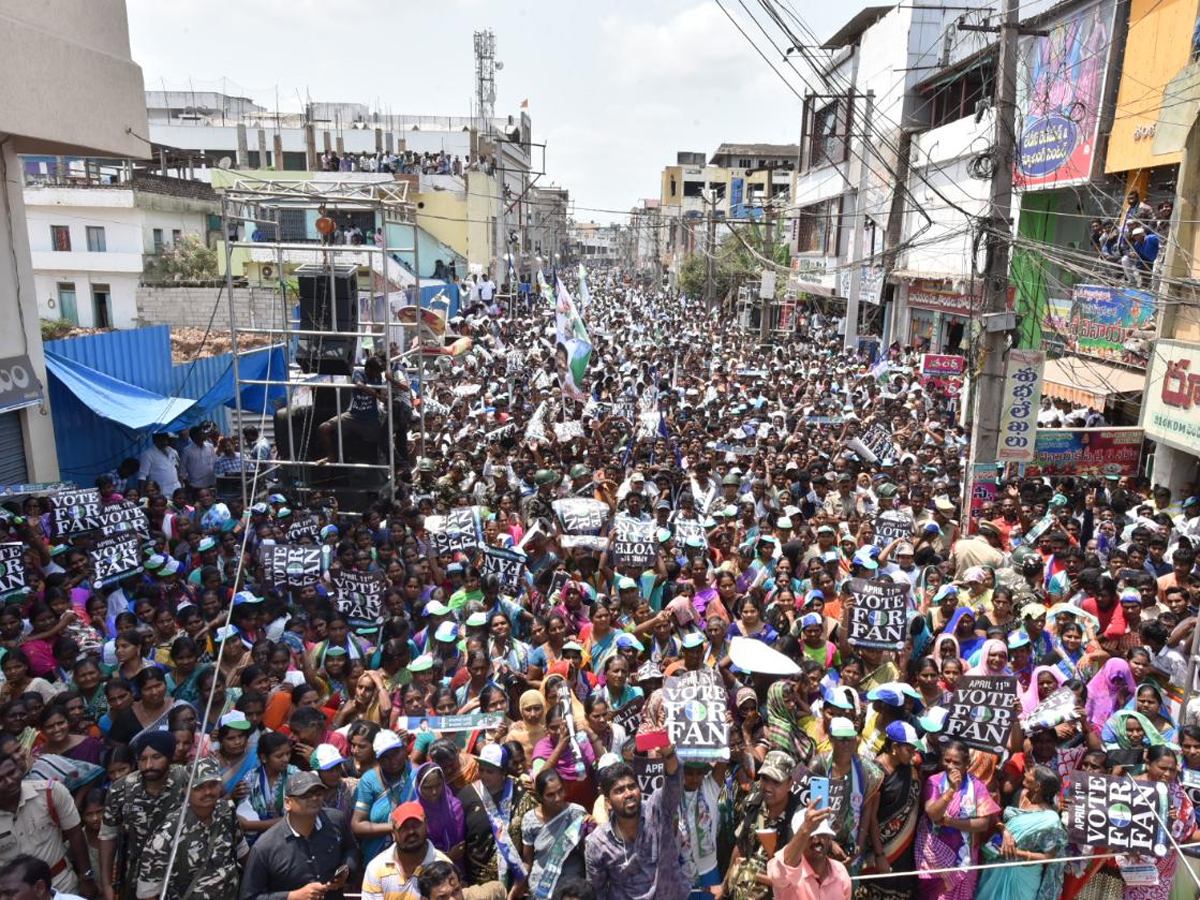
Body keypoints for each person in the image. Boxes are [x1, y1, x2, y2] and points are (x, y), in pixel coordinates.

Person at [135, 756, 248, 900]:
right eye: (198, 787)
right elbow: (148, 894)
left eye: (212, 784)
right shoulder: (166, 835)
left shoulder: (226, 813)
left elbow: (243, 853)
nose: (207, 792)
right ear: (185, 790)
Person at [584, 741, 685, 900]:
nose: (628, 793)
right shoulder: (597, 843)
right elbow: (597, 892)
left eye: (632, 786)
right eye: (619, 790)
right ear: (608, 802)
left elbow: (674, 781)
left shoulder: (658, 810)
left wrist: (669, 755)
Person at [240, 771, 358, 900]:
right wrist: (292, 896)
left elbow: (351, 849)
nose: (314, 798)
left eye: (318, 793)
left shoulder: (336, 820)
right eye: (306, 795)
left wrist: (346, 870)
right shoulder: (265, 847)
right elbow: (249, 897)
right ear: (287, 803)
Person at [99, 732, 188, 900]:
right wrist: (107, 885)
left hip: (181, 874)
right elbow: (107, 836)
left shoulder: (187, 779)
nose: (149, 765)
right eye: (142, 759)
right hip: (137, 879)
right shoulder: (120, 789)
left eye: (156, 757)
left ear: (169, 756)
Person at [914, 739, 1000, 900]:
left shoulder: (977, 786)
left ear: (967, 764)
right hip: (934, 857)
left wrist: (949, 822)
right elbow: (932, 813)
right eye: (947, 760)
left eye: (957, 763)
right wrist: (951, 791)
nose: (951, 766)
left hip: (964, 858)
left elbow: (983, 824)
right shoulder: (935, 781)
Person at [764, 802, 850, 900]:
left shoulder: (840, 871)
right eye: (810, 835)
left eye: (821, 834)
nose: (816, 840)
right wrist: (805, 829)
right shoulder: (788, 874)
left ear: (829, 837)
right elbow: (778, 875)